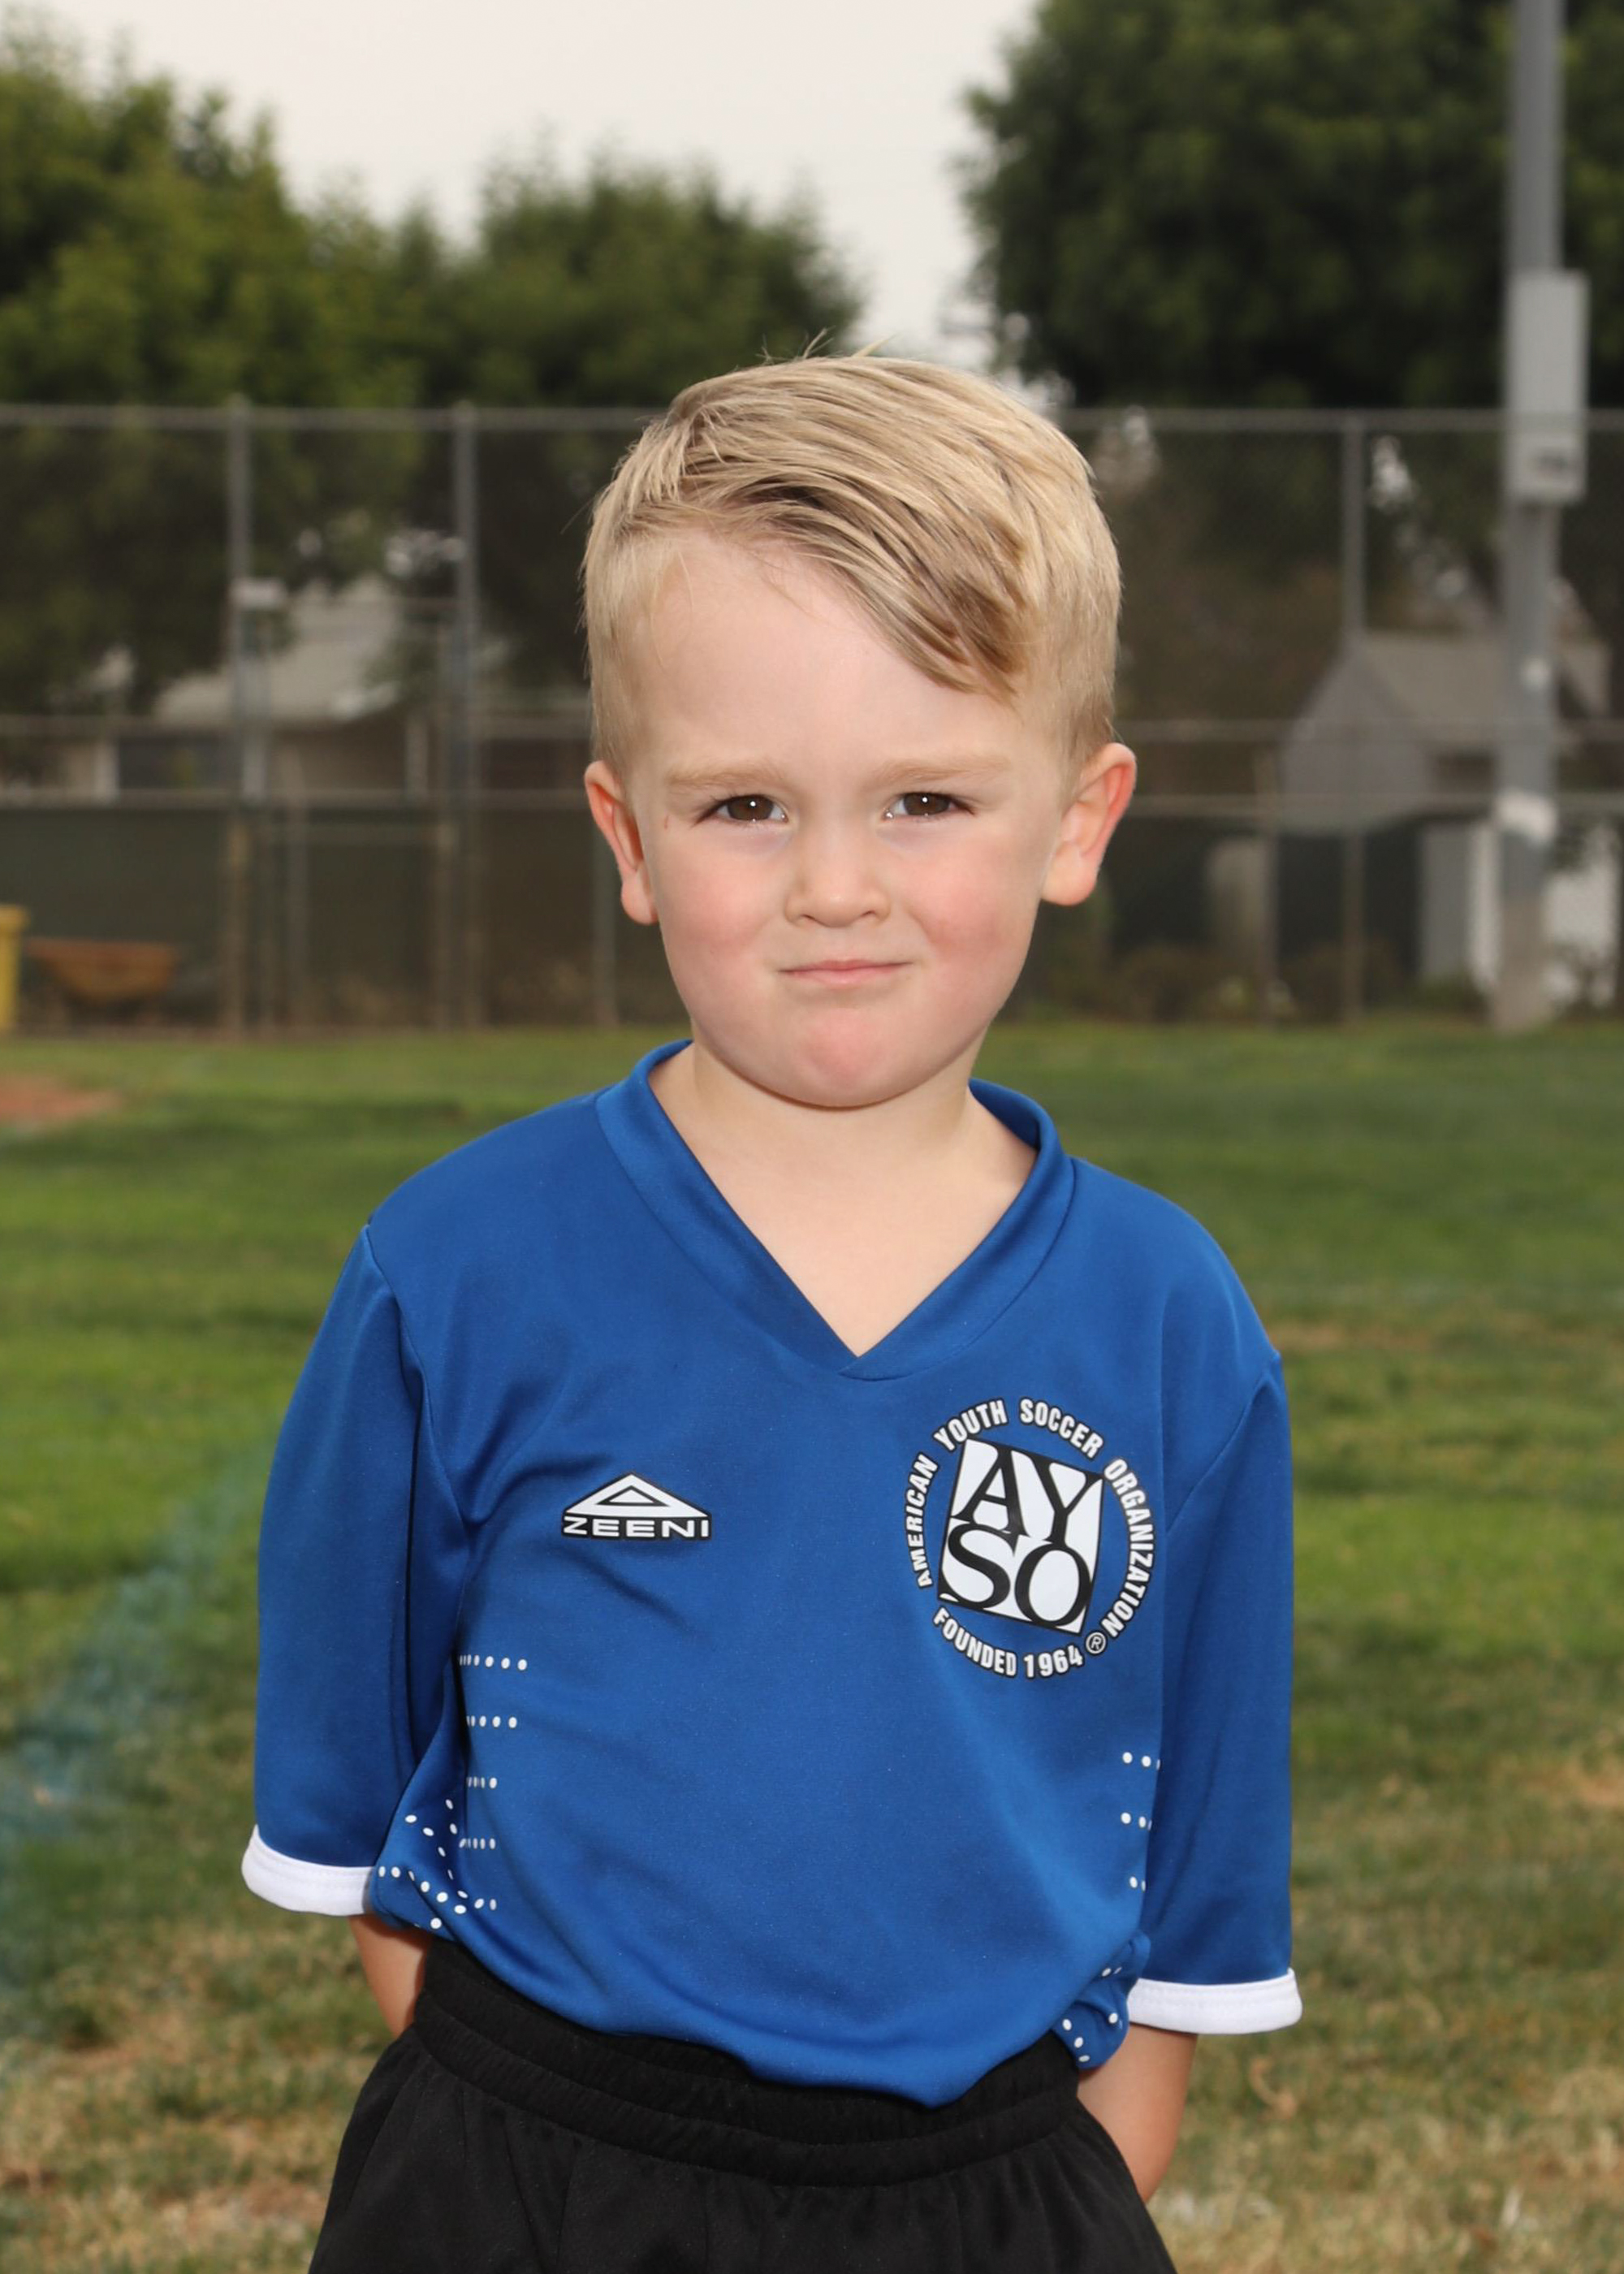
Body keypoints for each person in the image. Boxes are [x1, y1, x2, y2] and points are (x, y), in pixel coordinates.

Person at [241, 350, 1302, 2273]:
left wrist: (1057, 2180)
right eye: (744, 802)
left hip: (993, 2185)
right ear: (627, 835)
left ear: (1078, 819)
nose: (833, 885)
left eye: (924, 797)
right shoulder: (456, 1267)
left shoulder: (1167, 1320)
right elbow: (360, 1801)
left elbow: (1194, 1846)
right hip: (532, 2169)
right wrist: (544, 2141)